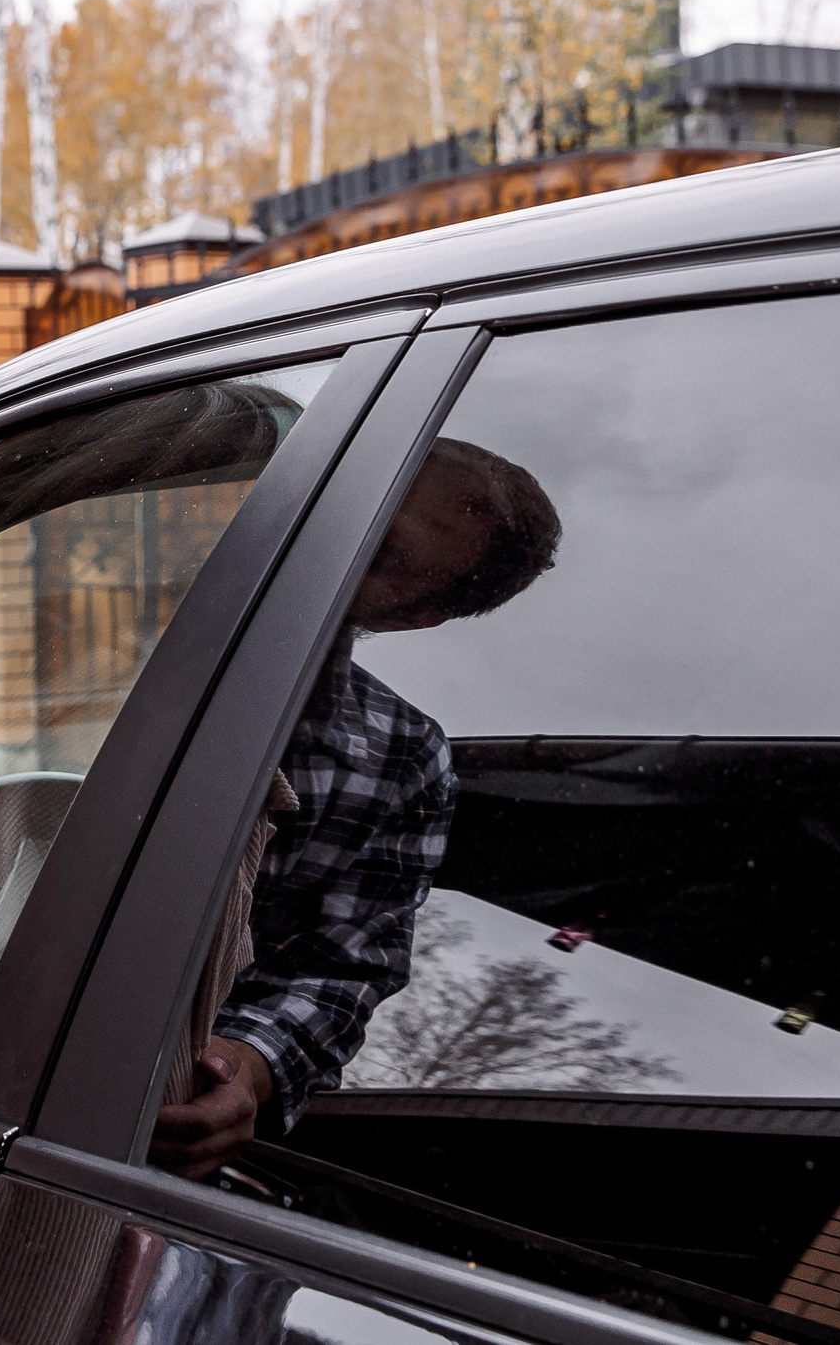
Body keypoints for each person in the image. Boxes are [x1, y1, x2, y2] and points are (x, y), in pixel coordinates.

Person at [151, 438, 563, 1179]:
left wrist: (242, 1070)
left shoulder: (403, 758)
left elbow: (339, 967)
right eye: (349, 507)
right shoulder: (65, 605)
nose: (330, 540)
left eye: (386, 556)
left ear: (417, 615)